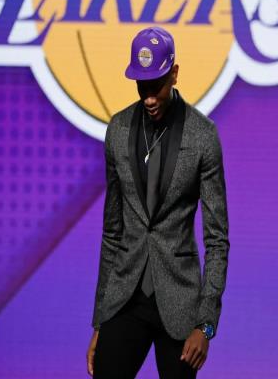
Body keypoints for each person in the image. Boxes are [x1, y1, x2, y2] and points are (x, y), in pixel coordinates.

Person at [86, 26, 229, 378]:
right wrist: (100, 321)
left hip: (180, 305)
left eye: (156, 86)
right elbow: (112, 232)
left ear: (174, 73)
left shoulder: (203, 136)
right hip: (125, 298)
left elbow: (217, 239)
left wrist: (206, 323)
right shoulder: (118, 130)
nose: (149, 98)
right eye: (142, 87)